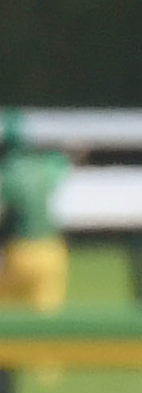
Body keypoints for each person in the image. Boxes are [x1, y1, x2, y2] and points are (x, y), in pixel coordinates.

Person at [0, 111, 71, 311]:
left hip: (19, 252)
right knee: (46, 329)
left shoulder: (7, 172)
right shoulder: (46, 165)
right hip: (53, 252)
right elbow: (64, 163)